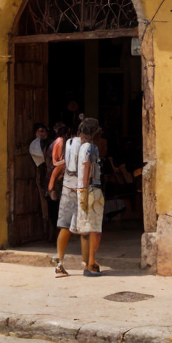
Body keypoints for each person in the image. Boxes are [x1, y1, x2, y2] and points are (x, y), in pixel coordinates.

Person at [70, 117, 105, 277]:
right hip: (91, 190)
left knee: (90, 228)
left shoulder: (81, 147)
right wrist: (84, 190)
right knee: (94, 229)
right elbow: (87, 167)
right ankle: (91, 262)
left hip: (85, 189)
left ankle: (90, 261)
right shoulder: (90, 148)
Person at [49, 123, 80, 276]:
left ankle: (60, 261)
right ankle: (89, 262)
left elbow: (56, 167)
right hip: (77, 189)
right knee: (85, 229)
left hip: (67, 187)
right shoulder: (68, 144)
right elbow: (56, 165)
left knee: (65, 226)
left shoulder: (65, 144)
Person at [28, 122, 52, 226]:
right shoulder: (35, 145)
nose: (42, 134)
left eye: (43, 131)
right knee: (44, 201)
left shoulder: (49, 143)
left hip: (50, 172)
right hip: (42, 172)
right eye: (39, 131)